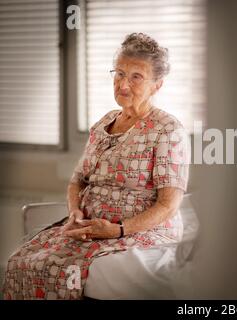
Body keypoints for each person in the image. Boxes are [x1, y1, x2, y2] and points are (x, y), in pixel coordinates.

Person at [2, 33, 189, 300]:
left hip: (138, 231)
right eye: (120, 73)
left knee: (59, 268)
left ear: (156, 85)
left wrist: (118, 229)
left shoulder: (167, 129)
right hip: (90, 228)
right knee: (20, 261)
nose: (123, 84)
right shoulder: (103, 124)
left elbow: (168, 205)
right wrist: (75, 212)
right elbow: (77, 181)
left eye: (136, 76)